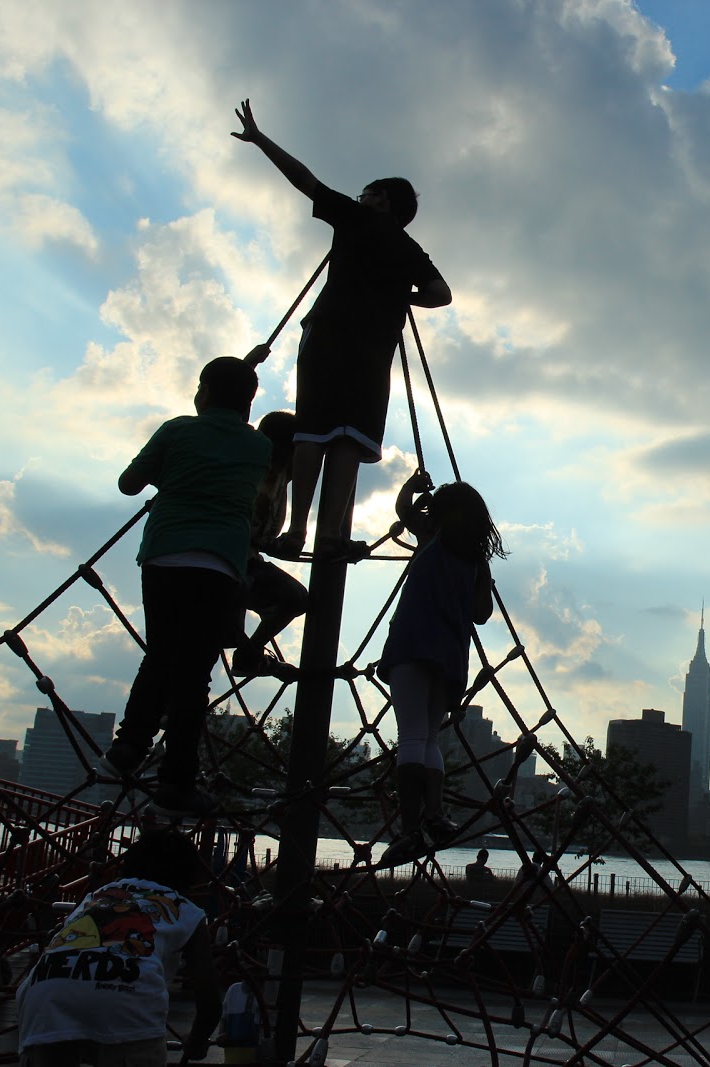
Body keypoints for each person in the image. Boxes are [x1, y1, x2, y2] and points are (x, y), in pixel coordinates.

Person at [232, 99, 452, 562]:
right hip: (374, 349)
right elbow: (440, 293)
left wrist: (261, 141)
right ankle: (329, 533)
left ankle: (296, 532)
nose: (359, 198)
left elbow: (304, 180)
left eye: (366, 193)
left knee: (312, 430)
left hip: (329, 334)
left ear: (382, 200)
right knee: (351, 438)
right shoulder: (409, 247)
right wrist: (399, 297)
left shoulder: (355, 221)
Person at [104, 356, 270, 817]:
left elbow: (128, 484)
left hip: (165, 552)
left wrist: (172, 473)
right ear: (249, 403)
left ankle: (130, 743)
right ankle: (176, 778)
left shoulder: (176, 431)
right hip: (219, 563)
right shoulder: (258, 448)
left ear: (202, 393)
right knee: (194, 670)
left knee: (159, 652)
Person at [375, 475, 505, 867]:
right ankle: (435, 815)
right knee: (429, 737)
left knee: (411, 735)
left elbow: (403, 512)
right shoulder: (476, 560)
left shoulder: (434, 536)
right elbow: (482, 614)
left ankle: (410, 827)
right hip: (449, 657)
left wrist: (413, 487)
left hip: (413, 645)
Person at [16, 829, 221, 1066]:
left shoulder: (97, 896)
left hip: (45, 995)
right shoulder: (186, 911)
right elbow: (210, 1002)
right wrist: (197, 1041)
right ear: (189, 876)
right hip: (125, 1003)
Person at [231, 410, 308, 678]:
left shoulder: (284, 474)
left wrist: (278, 544)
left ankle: (249, 652)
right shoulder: (249, 462)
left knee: (295, 598)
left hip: (249, 559)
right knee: (223, 625)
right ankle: (248, 653)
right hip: (225, 555)